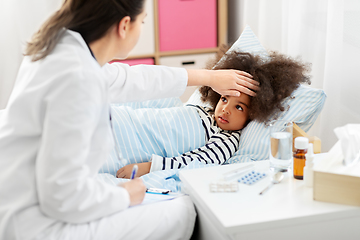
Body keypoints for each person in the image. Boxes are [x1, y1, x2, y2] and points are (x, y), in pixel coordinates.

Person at [0, 1, 260, 240]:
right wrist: (123, 195)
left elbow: (131, 79)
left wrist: (210, 77)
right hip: (35, 223)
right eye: (143, 21)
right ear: (125, 26)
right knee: (182, 212)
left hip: (17, 188)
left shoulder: (61, 47)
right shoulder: (79, 81)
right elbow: (62, 197)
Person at [116, 49, 311, 179]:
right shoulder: (206, 111)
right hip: (130, 121)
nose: (226, 109)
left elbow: (198, 161)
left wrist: (149, 167)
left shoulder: (228, 139)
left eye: (239, 107)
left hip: (133, 141)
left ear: (254, 113)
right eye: (225, 99)